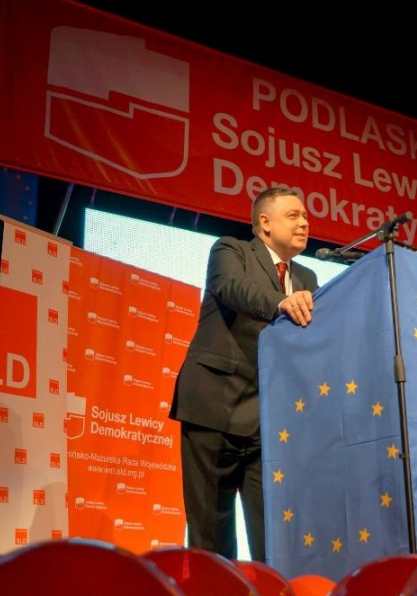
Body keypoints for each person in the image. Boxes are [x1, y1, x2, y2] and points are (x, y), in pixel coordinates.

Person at [169, 187, 319, 562]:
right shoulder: (231, 251)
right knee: (212, 536)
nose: (304, 223)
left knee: (272, 537)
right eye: (293, 216)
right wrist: (281, 302)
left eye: (305, 217)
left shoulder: (308, 277)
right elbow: (233, 288)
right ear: (265, 223)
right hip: (214, 407)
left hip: (269, 424)